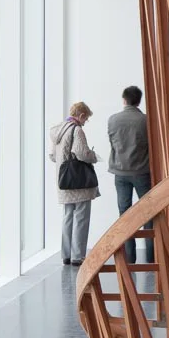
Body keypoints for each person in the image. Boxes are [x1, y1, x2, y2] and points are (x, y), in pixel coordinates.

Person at [50, 103, 99, 267]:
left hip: (64, 180)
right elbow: (82, 153)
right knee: (81, 217)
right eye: (86, 119)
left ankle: (66, 255)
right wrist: (93, 156)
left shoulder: (58, 130)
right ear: (81, 115)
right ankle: (77, 256)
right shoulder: (77, 130)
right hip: (79, 183)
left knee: (68, 216)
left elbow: (52, 156)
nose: (85, 122)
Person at [108, 85, 151, 268]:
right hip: (142, 171)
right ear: (139, 101)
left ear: (124, 100)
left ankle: (129, 257)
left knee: (124, 214)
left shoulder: (113, 120)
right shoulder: (145, 120)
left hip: (120, 172)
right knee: (149, 213)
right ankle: (151, 257)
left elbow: (113, 143)